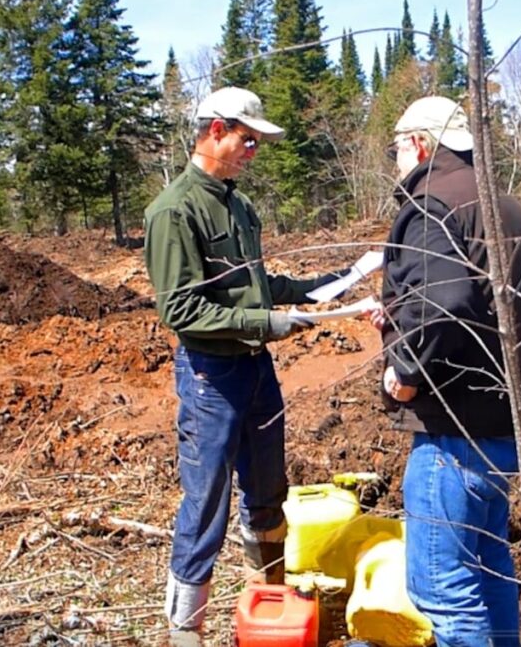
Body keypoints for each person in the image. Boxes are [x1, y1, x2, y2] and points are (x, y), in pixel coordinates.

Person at [143, 86, 341, 646]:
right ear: (215, 131)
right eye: (247, 140)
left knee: (268, 485)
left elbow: (253, 284)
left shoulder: (238, 204)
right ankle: (186, 629)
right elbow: (180, 308)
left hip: (256, 373)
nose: (253, 151)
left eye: (256, 143)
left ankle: (268, 595)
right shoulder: (174, 211)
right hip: (212, 377)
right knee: (207, 500)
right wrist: (267, 323)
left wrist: (312, 290)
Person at [377, 96, 521, 647]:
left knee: (442, 589)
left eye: (396, 148)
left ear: (421, 144)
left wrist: (404, 373)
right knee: (489, 564)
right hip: (509, 420)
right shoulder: (505, 203)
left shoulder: (432, 203)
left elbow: (445, 302)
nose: (397, 161)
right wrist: (401, 312)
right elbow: (478, 300)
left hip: (456, 429)